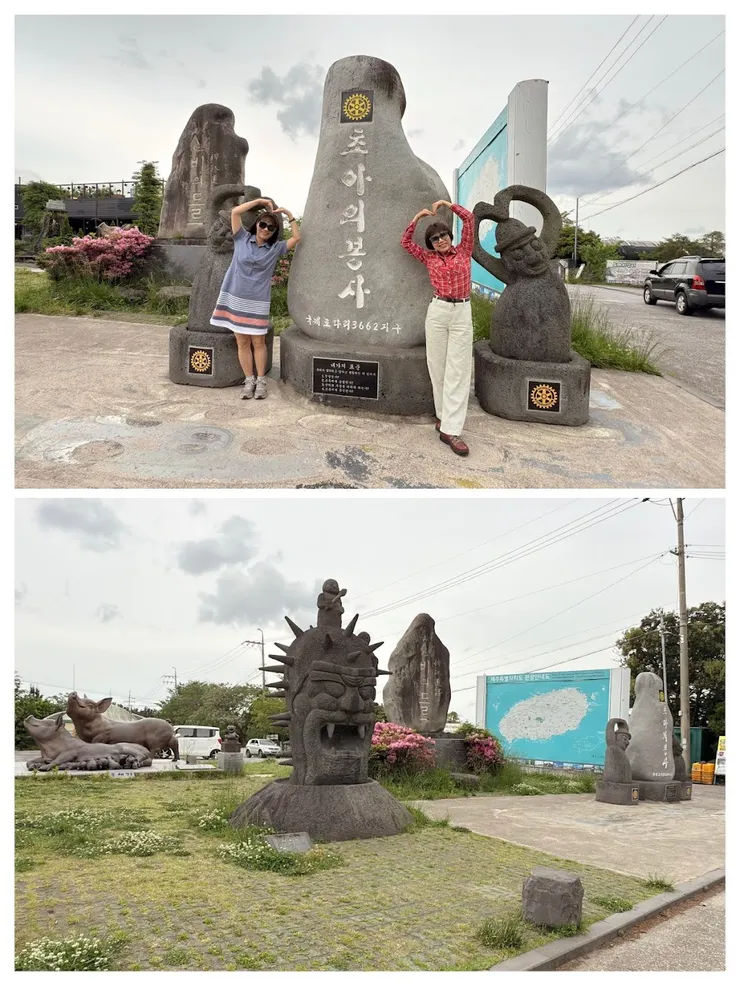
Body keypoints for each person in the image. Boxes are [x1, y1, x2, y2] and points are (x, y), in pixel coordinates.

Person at [401, 199, 475, 457]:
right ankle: (444, 417)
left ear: (450, 236)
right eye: (434, 238)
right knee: (438, 366)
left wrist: (448, 204)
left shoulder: (464, 250)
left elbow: (470, 220)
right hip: (438, 310)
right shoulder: (428, 257)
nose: (440, 240)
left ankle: (451, 430)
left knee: (459, 367)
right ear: (430, 244)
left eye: (443, 235)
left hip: (462, 311)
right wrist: (417, 218)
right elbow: (406, 243)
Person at [210, 196, 301, 399]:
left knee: (258, 342)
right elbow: (235, 212)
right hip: (234, 298)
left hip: (258, 301)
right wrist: (260, 201)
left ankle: (261, 381)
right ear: (257, 224)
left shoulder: (275, 249)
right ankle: (248, 379)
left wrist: (288, 216)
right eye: (263, 224)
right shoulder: (241, 238)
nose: (266, 229)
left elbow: (296, 239)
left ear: (274, 232)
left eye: (270, 227)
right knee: (242, 342)